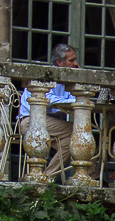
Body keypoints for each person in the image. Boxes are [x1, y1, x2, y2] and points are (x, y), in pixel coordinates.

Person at [17, 43, 78, 178]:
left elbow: (73, 98)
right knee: (78, 130)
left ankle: (47, 177)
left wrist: (76, 82)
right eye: (71, 61)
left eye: (75, 60)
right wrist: (74, 100)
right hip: (30, 122)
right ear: (59, 63)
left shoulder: (67, 79)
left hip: (51, 126)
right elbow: (47, 98)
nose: (75, 64)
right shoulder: (45, 75)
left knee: (72, 143)